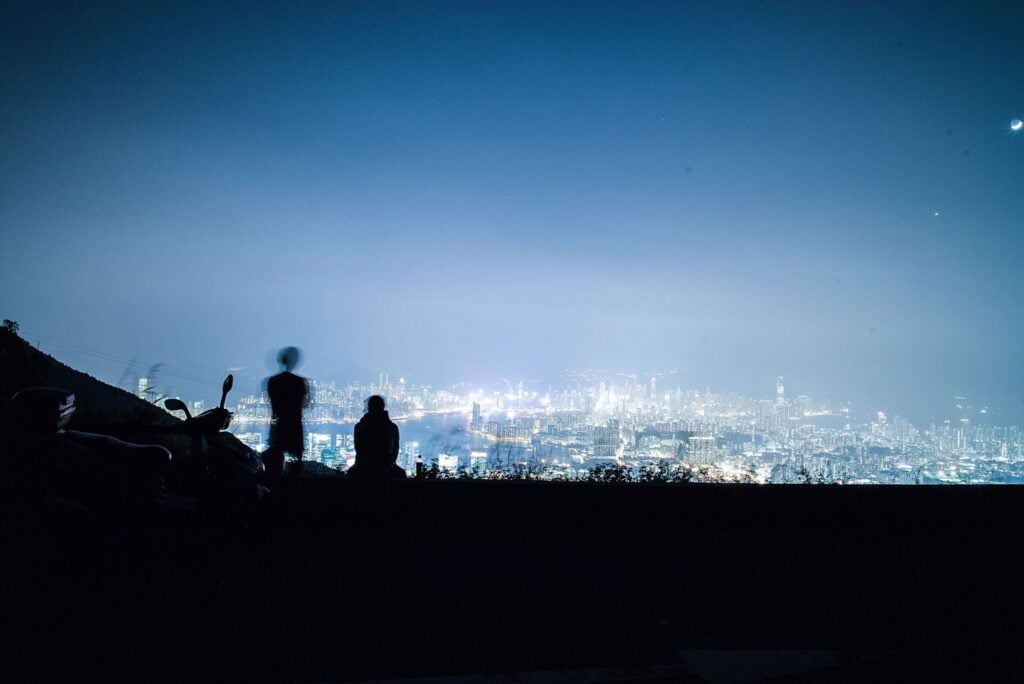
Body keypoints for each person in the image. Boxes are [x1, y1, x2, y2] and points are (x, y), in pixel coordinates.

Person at [261, 346, 309, 482]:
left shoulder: (272, 381)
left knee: (273, 466)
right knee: (296, 465)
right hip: (294, 426)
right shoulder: (300, 382)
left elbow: (269, 402)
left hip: (277, 426)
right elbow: (306, 404)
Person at [348, 395, 406, 479]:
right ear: (383, 407)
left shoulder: (360, 427)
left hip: (363, 469)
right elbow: (395, 451)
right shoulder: (392, 427)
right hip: (387, 468)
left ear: (369, 407)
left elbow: (359, 450)